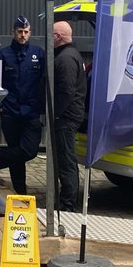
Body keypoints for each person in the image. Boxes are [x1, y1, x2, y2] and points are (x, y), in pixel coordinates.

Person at [0, 15, 45, 195]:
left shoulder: (38, 53)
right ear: (13, 32)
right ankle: (20, 192)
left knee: (28, 151)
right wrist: (0, 106)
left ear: (30, 33)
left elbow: (43, 82)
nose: (23, 35)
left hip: (31, 112)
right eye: (20, 32)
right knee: (15, 153)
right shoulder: (3, 55)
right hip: (10, 112)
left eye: (26, 32)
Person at [52, 21, 87, 212]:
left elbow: (66, 90)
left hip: (65, 118)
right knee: (67, 160)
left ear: (57, 37)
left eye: (51, 35)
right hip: (69, 115)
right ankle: (67, 200)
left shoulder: (65, 59)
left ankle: (68, 205)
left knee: (66, 161)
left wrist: (54, 114)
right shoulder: (73, 55)